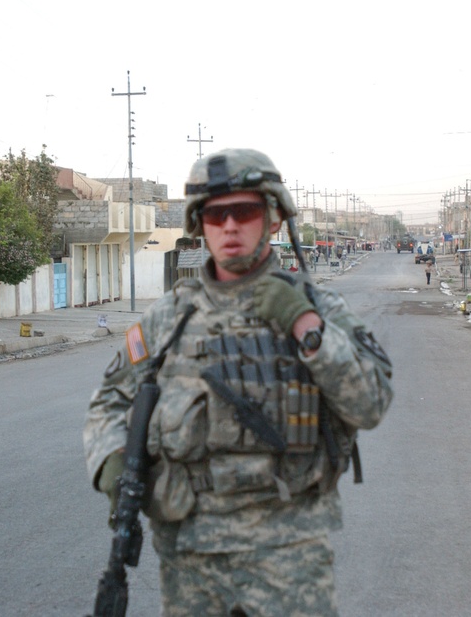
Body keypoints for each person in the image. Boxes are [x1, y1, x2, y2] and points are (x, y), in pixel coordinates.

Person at [83, 148, 393, 616]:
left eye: (244, 212)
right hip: (191, 553)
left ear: (272, 217)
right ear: (199, 223)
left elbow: (369, 405)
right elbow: (109, 401)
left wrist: (306, 328)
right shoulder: (167, 319)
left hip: (290, 553)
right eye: (216, 214)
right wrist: (110, 466)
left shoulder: (317, 308)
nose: (230, 226)